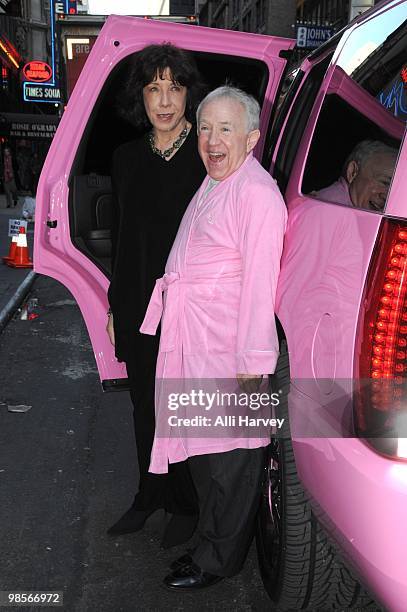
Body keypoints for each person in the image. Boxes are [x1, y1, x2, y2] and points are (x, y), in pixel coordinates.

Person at [140, 86, 287, 588]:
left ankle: (216, 561)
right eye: (204, 128)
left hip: (230, 355)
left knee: (230, 466)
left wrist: (252, 363)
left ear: (251, 137)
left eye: (226, 129)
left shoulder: (258, 195)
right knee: (205, 458)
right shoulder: (214, 182)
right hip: (196, 346)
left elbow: (261, 285)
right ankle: (207, 546)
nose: (211, 139)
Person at [106, 43, 206, 546]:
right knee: (144, 406)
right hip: (136, 306)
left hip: (190, 310)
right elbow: (124, 238)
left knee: (182, 406)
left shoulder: (209, 156)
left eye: (175, 87)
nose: (164, 100)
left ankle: (184, 503)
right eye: (153, 88)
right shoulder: (125, 158)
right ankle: (150, 495)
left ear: (189, 93)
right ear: (139, 97)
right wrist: (112, 304)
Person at [313, 140, 398, 211]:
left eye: (395, 190)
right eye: (384, 182)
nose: (386, 197)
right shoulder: (333, 209)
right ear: (352, 172)